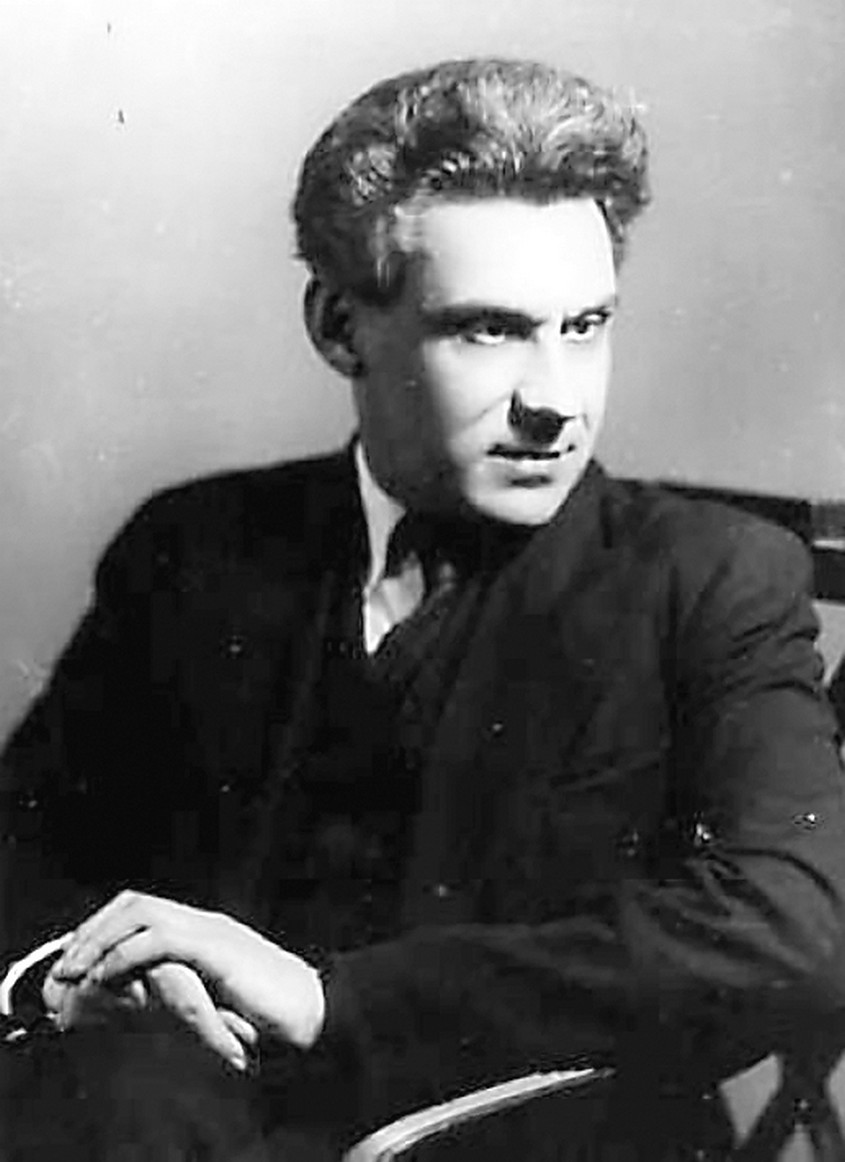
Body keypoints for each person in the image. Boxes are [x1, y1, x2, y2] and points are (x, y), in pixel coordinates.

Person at [3, 56, 845, 1160]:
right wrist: (73, 971)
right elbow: (21, 856)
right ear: (339, 326)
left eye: (585, 325)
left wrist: (332, 1002)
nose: (554, 401)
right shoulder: (194, 547)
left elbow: (789, 931)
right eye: (488, 330)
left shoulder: (711, 577)